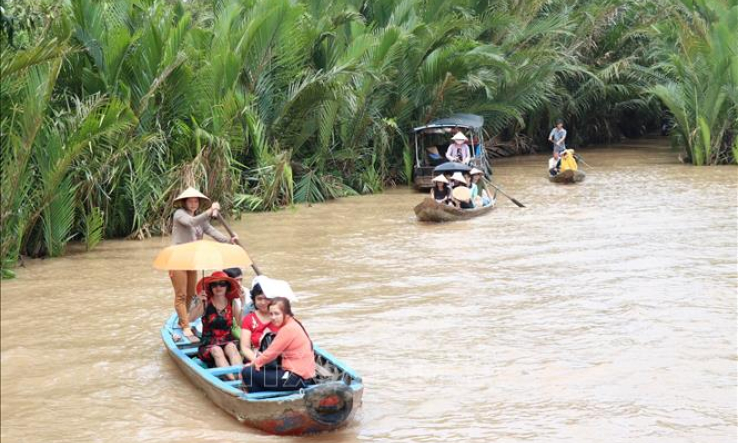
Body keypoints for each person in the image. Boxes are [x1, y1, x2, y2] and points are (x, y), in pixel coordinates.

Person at [170, 187, 237, 343]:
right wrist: (210, 210)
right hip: (178, 259)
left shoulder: (202, 221)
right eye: (190, 201)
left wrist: (229, 241)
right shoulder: (179, 214)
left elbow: (213, 232)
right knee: (181, 295)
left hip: (192, 260)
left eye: (196, 201)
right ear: (184, 202)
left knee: (191, 294)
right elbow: (192, 221)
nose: (193, 204)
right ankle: (186, 326)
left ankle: (183, 320)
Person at [241, 297, 315, 393]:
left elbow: (270, 354)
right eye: (271, 314)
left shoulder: (287, 329)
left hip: (296, 379)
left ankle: (260, 400)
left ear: (286, 313)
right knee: (258, 371)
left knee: (247, 373)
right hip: (303, 376)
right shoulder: (295, 322)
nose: (273, 317)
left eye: (277, 314)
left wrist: (253, 364)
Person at [191, 271, 243, 380]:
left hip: (228, 341)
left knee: (232, 347)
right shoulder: (206, 302)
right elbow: (190, 319)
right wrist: (200, 302)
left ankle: (241, 377)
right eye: (214, 284)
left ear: (227, 286)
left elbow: (240, 324)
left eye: (222, 284)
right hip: (209, 344)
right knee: (217, 350)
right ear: (210, 287)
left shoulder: (232, 303)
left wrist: (242, 303)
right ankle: (233, 381)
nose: (218, 287)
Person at [239, 276, 297, 363]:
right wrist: (259, 361)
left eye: (267, 299)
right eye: (259, 299)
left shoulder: (284, 316)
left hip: (283, 358)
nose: (263, 302)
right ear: (254, 300)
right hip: (257, 358)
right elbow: (245, 347)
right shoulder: (249, 319)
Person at [223, 267, 248, 339]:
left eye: (241, 280)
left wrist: (243, 302)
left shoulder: (246, 292)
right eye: (236, 280)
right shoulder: (223, 295)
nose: (239, 284)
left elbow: (241, 323)